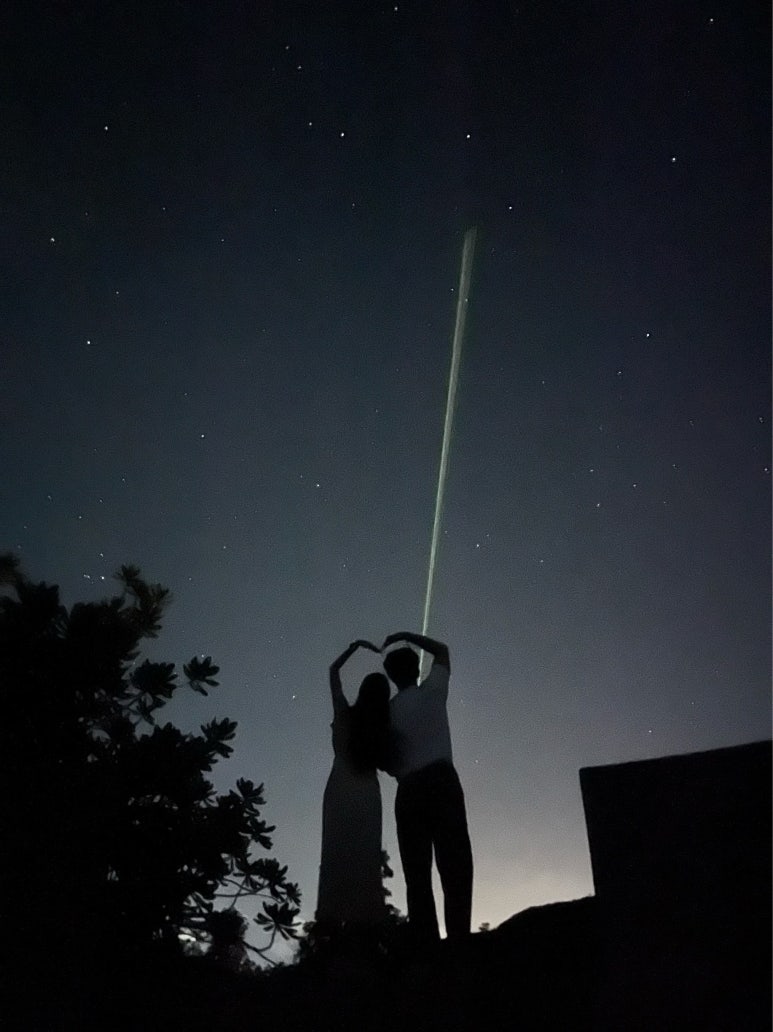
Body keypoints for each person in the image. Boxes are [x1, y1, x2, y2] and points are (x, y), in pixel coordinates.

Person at [381, 631, 473, 945]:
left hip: (409, 790)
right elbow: (442, 650)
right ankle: (459, 940)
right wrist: (406, 635)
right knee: (455, 863)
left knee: (416, 874)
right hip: (442, 781)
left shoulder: (387, 713)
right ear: (416, 668)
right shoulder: (433, 690)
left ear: (391, 676)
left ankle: (427, 945)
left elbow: (386, 760)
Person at [316, 639, 391, 930]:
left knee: (335, 849)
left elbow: (333, 672)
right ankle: (366, 920)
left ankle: (330, 917)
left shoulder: (344, 714)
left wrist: (354, 648)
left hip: (339, 788)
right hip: (367, 792)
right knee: (366, 853)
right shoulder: (381, 729)